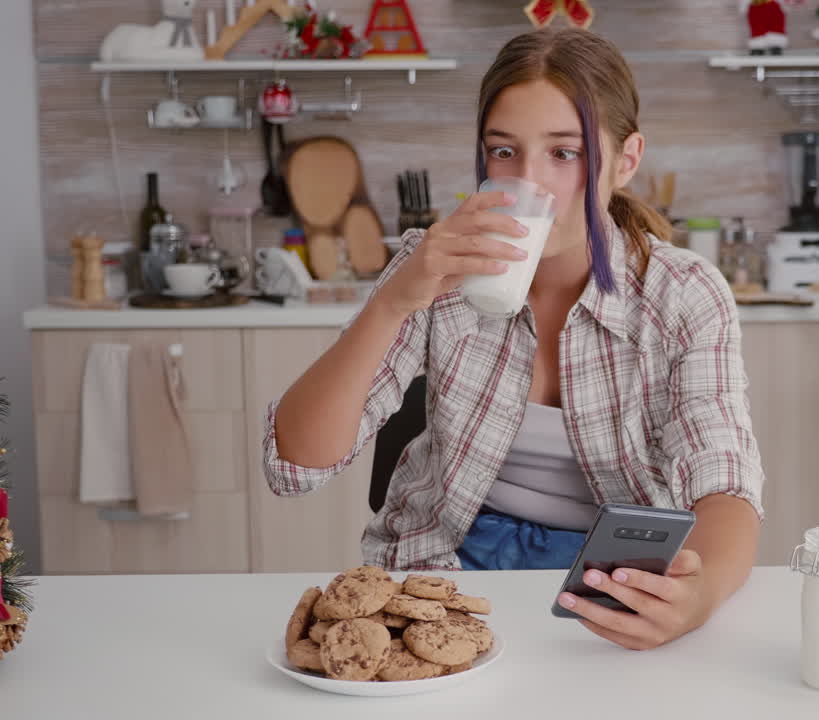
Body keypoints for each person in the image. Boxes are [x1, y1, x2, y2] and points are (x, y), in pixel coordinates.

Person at [264, 28, 764, 650]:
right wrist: (393, 301)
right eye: (504, 152)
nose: (531, 182)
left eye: (564, 153)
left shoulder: (684, 294)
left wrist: (697, 597)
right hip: (442, 577)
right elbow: (296, 466)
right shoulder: (434, 269)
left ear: (626, 160)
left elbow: (725, 488)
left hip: (612, 587)